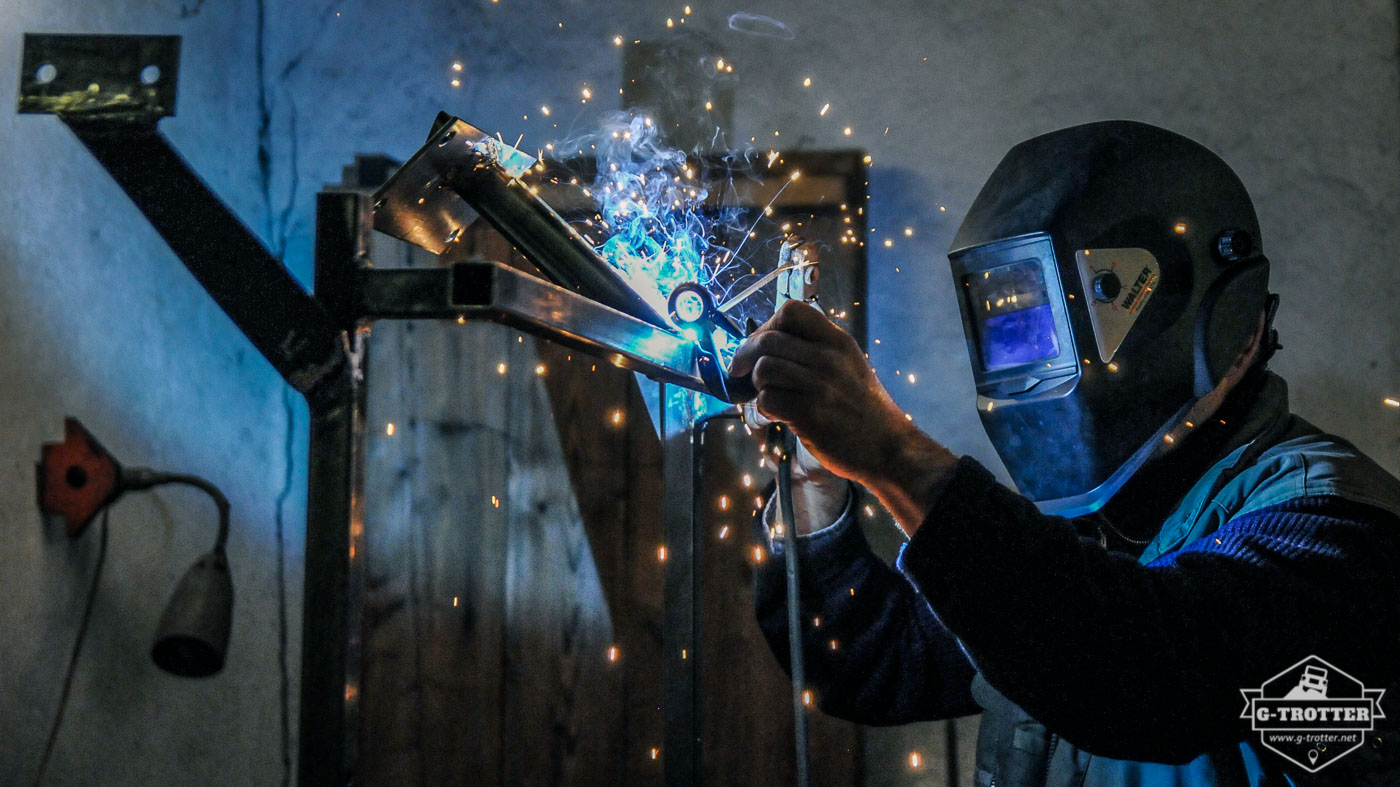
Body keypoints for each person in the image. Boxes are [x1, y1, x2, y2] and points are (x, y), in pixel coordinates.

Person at [731, 121, 1400, 786]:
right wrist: (812, 489)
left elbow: (1147, 670)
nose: (1033, 358)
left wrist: (891, 454)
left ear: (1231, 321)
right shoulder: (1100, 532)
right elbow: (879, 662)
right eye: (1015, 326)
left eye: (1058, 318)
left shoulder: (1338, 532)